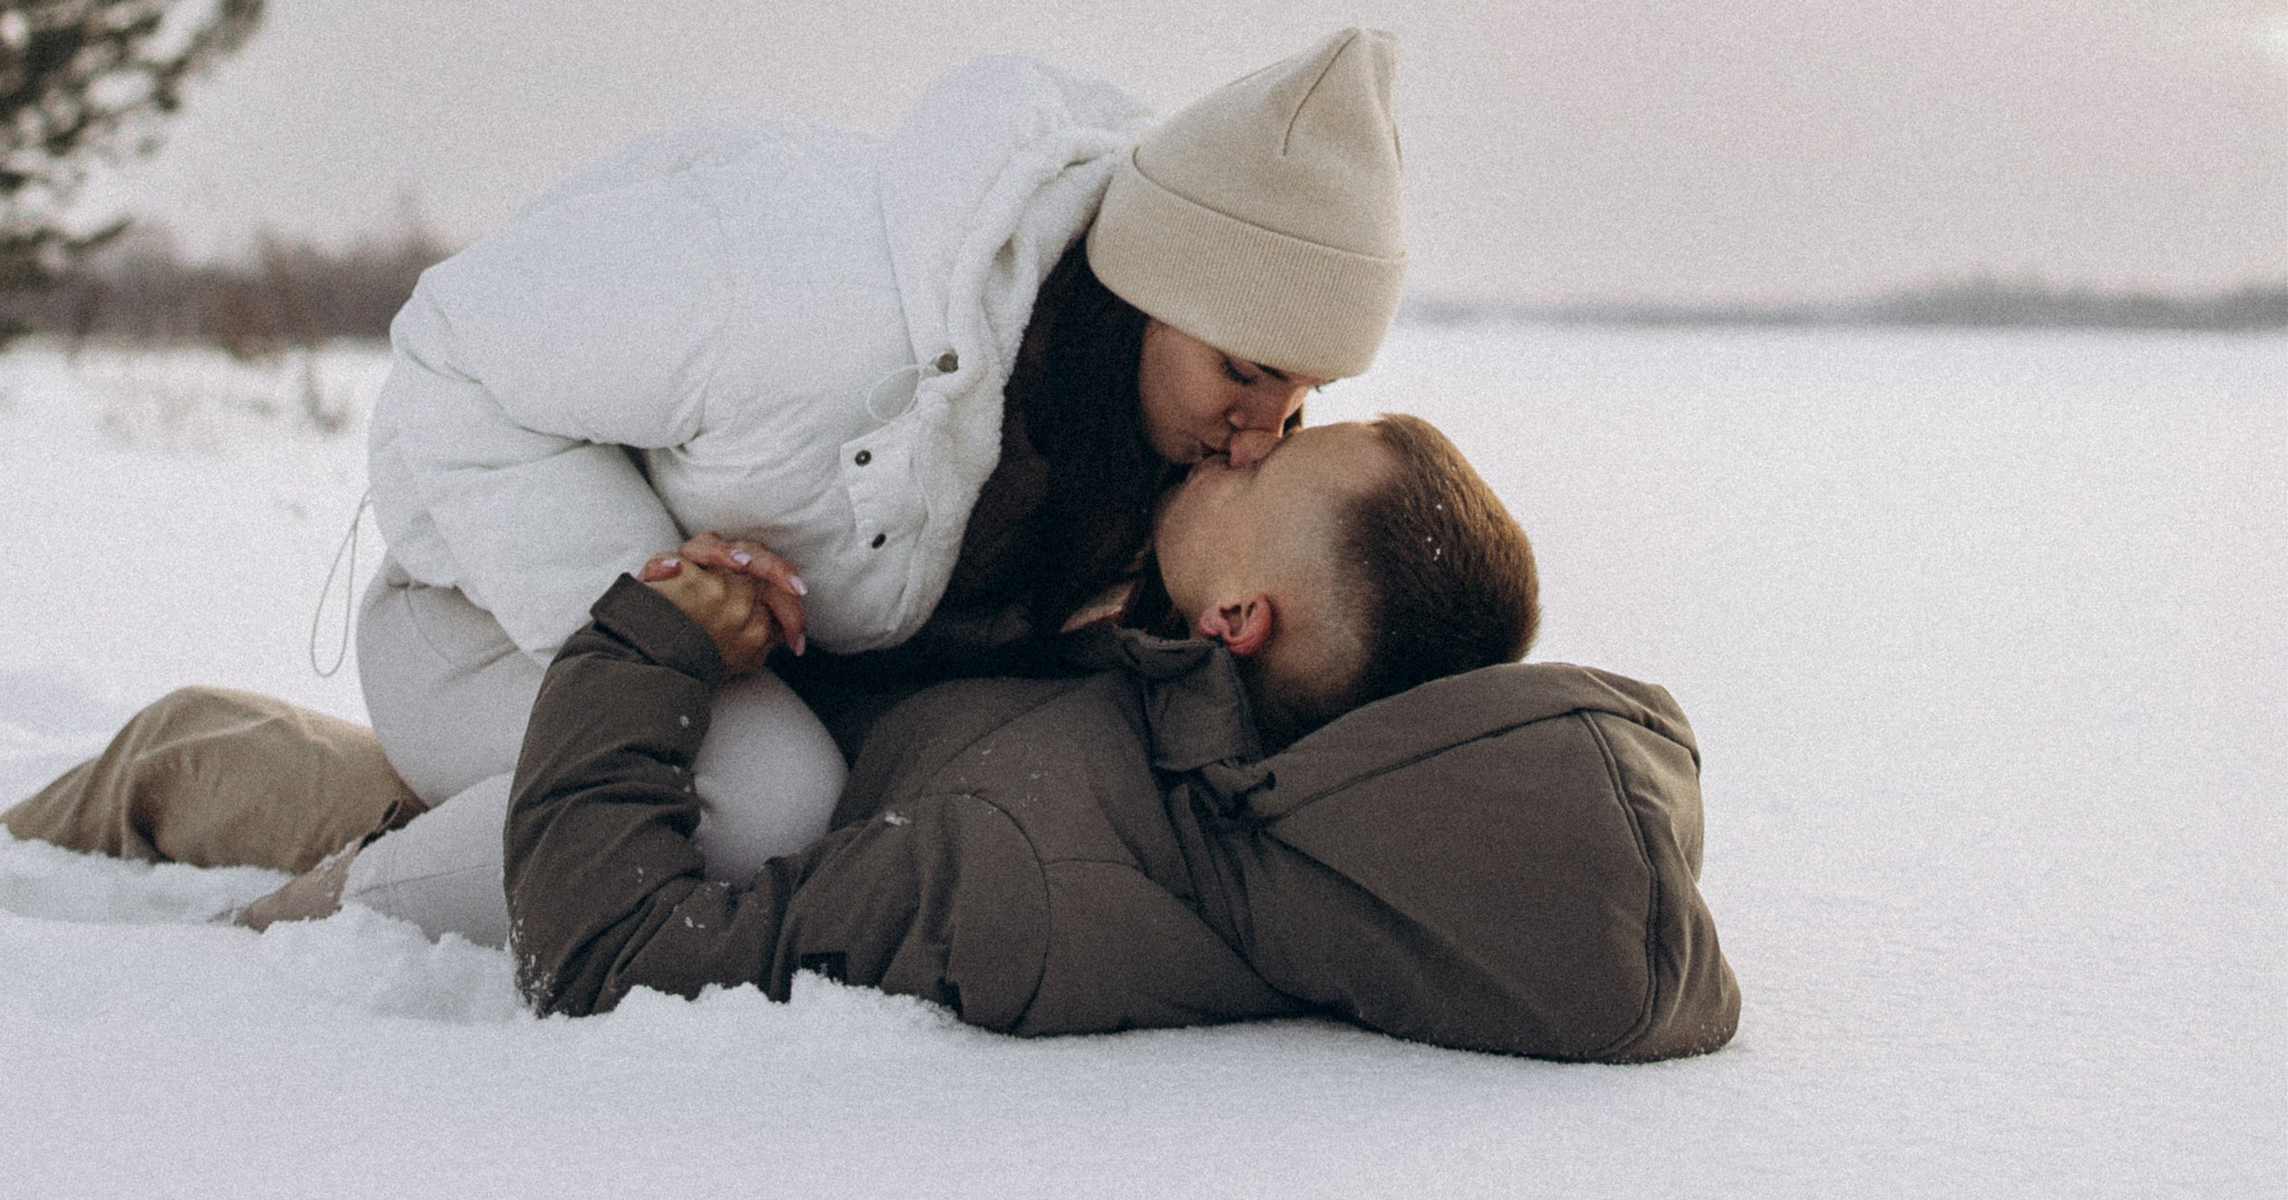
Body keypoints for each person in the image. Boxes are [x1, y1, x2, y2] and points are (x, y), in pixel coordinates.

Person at [0, 30, 1415, 938]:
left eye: (1303, 395)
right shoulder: (805, 289)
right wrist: (647, 615)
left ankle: (215, 764)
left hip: (719, 677)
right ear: (1152, 287)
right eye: (1248, 369)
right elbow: (451, 356)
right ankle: (308, 934)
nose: (1263, 429)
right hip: (478, 612)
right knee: (760, 809)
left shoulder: (1133, 442)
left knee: (813, 791)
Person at [502, 424, 1742, 1063]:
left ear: (1240, 619)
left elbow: (606, 963)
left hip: (599, 802)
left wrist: (646, 650)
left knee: (378, 830)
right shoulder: (1213, 721)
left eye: (1271, 469)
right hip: (676, 726)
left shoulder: (1029, 875)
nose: (1248, 442)